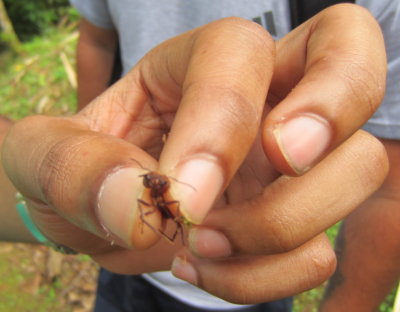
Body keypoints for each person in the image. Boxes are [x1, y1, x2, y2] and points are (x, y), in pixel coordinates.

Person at [0, 2, 391, 312]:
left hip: (251, 273)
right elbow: (96, 40)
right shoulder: (149, 186)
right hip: (135, 270)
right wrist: (71, 180)